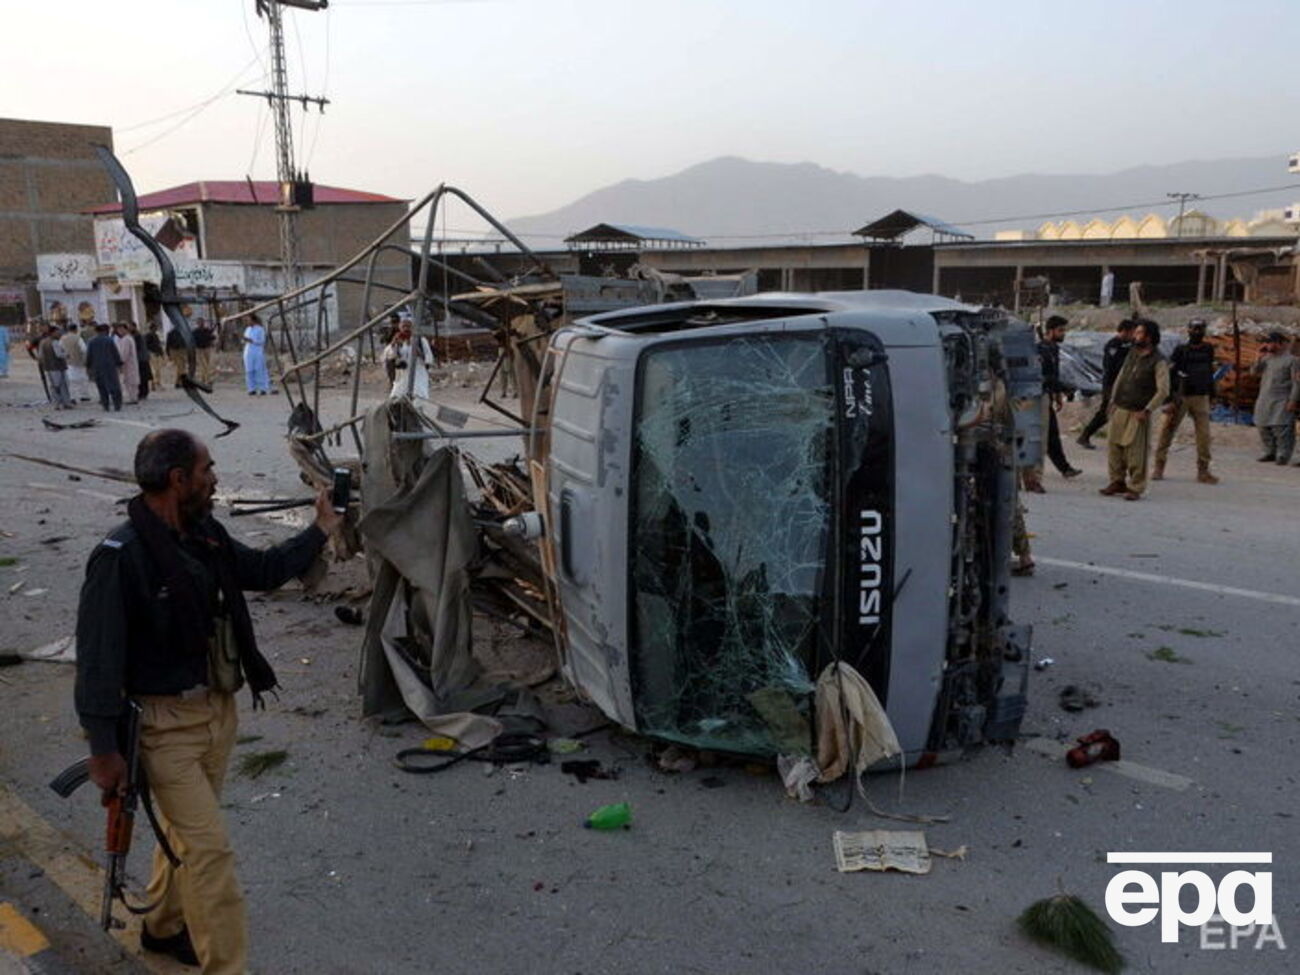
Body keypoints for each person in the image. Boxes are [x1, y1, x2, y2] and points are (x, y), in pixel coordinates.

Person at [74, 429, 340, 973]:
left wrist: (320, 529)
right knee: (210, 856)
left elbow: (261, 572)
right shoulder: (119, 558)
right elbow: (97, 667)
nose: (214, 479)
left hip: (217, 712)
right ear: (178, 480)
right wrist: (104, 752)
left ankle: (163, 927)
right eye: (207, 470)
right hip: (161, 727)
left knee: (184, 835)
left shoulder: (204, 534)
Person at [1100, 319, 1169, 501]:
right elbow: (1121, 377)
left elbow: (1163, 390)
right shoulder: (1132, 353)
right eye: (1136, 332)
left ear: (1149, 337)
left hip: (1139, 412)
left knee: (1135, 452)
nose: (1135, 336)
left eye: (1140, 333)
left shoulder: (1158, 360)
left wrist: (1147, 410)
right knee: (1114, 447)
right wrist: (1112, 400)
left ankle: (1136, 486)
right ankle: (1117, 481)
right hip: (1120, 407)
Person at [1153, 319, 1218, 484]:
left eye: (1200, 329)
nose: (1197, 332)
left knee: (1204, 436)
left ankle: (1203, 470)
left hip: (1201, 396)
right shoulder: (1181, 350)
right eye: (1194, 329)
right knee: (1167, 432)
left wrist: (1213, 394)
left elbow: (1209, 372)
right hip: (1181, 396)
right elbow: (1171, 373)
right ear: (1188, 331)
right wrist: (1169, 399)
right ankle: (1159, 467)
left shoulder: (1208, 349)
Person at [1026, 315, 1082, 490]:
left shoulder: (1053, 349)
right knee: (1040, 439)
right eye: (1060, 330)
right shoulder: (1041, 350)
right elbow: (1045, 377)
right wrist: (1064, 388)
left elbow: (1054, 374)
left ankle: (1062, 468)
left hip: (1047, 396)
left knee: (1051, 435)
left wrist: (1057, 395)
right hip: (1037, 397)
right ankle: (1033, 479)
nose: (1063, 333)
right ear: (1050, 331)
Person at [1077, 318, 1135, 449]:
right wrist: (1109, 390)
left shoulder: (1130, 343)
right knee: (1105, 413)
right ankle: (1085, 435)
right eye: (1131, 332)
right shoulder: (1113, 345)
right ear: (1124, 331)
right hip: (1112, 384)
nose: (1133, 335)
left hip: (1126, 384)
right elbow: (1110, 368)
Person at [1250, 331, 1299, 465]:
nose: (1269, 345)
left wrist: (1293, 400)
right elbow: (1253, 372)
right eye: (1267, 342)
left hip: (1282, 398)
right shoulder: (1266, 359)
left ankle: (1283, 455)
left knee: (1281, 428)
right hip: (1265, 398)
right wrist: (1258, 357)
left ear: (1281, 344)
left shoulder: (1292, 360)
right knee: (1263, 425)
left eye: (1272, 342)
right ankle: (1269, 452)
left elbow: (1297, 383)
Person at [382, 318, 435, 399]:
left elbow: (428, 357)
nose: (406, 329)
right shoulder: (398, 340)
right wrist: (394, 345)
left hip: (418, 372)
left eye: (408, 326)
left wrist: (418, 352)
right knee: (397, 396)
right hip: (403, 373)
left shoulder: (420, 340)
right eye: (404, 326)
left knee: (419, 395)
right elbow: (389, 356)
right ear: (400, 328)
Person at [84, 323, 123, 412]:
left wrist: (88, 366)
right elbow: (115, 353)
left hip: (97, 367)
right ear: (105, 331)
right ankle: (117, 405)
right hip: (110, 366)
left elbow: (89, 355)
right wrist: (119, 364)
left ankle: (105, 405)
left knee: (102, 387)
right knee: (114, 386)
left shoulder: (91, 341)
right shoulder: (109, 340)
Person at [38, 323, 74, 409]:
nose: (60, 334)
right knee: (62, 385)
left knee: (53, 386)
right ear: (52, 333)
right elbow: (59, 354)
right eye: (58, 332)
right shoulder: (55, 342)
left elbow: (40, 356)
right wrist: (67, 354)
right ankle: (66, 403)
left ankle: (56, 404)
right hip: (58, 366)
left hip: (48, 367)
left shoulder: (43, 342)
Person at [60, 322, 91, 402]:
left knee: (71, 380)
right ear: (76, 329)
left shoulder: (62, 338)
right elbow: (84, 349)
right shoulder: (78, 338)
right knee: (82, 379)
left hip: (68, 362)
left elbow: (60, 349)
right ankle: (84, 395)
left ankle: (72, 396)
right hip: (79, 361)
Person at [241, 316, 271, 395]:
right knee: (249, 370)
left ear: (253, 320)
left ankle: (262, 388)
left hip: (257, 352)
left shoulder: (260, 329)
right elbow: (244, 340)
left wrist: (252, 340)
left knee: (259, 370)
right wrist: (244, 340)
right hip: (248, 352)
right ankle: (251, 389)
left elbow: (262, 341)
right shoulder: (247, 329)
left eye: (248, 320)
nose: (247, 322)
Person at [114, 322, 141, 405]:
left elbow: (124, 353)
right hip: (129, 364)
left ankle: (133, 398)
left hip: (128, 363)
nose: (120, 331)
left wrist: (120, 361)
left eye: (121, 329)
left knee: (130, 381)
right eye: (118, 329)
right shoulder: (127, 338)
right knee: (130, 380)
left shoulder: (126, 339)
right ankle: (133, 397)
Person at [130, 322, 152, 402]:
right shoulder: (137, 335)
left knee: (142, 377)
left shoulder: (137, 336)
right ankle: (143, 392)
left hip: (140, 359)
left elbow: (136, 348)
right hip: (142, 359)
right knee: (143, 377)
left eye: (130, 327)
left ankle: (143, 392)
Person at [194, 318, 216, 386]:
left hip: (207, 349)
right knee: (204, 365)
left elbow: (212, 337)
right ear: (197, 323)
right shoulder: (195, 332)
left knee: (206, 364)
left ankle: (203, 378)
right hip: (199, 349)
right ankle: (208, 380)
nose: (201, 323)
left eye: (202, 322)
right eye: (199, 322)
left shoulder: (207, 330)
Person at [145, 322, 165, 392]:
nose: (156, 329)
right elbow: (147, 346)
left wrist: (161, 353)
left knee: (157, 370)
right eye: (155, 327)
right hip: (152, 354)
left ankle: (156, 383)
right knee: (154, 370)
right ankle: (155, 384)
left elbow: (158, 345)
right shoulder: (148, 336)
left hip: (156, 354)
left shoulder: (155, 335)